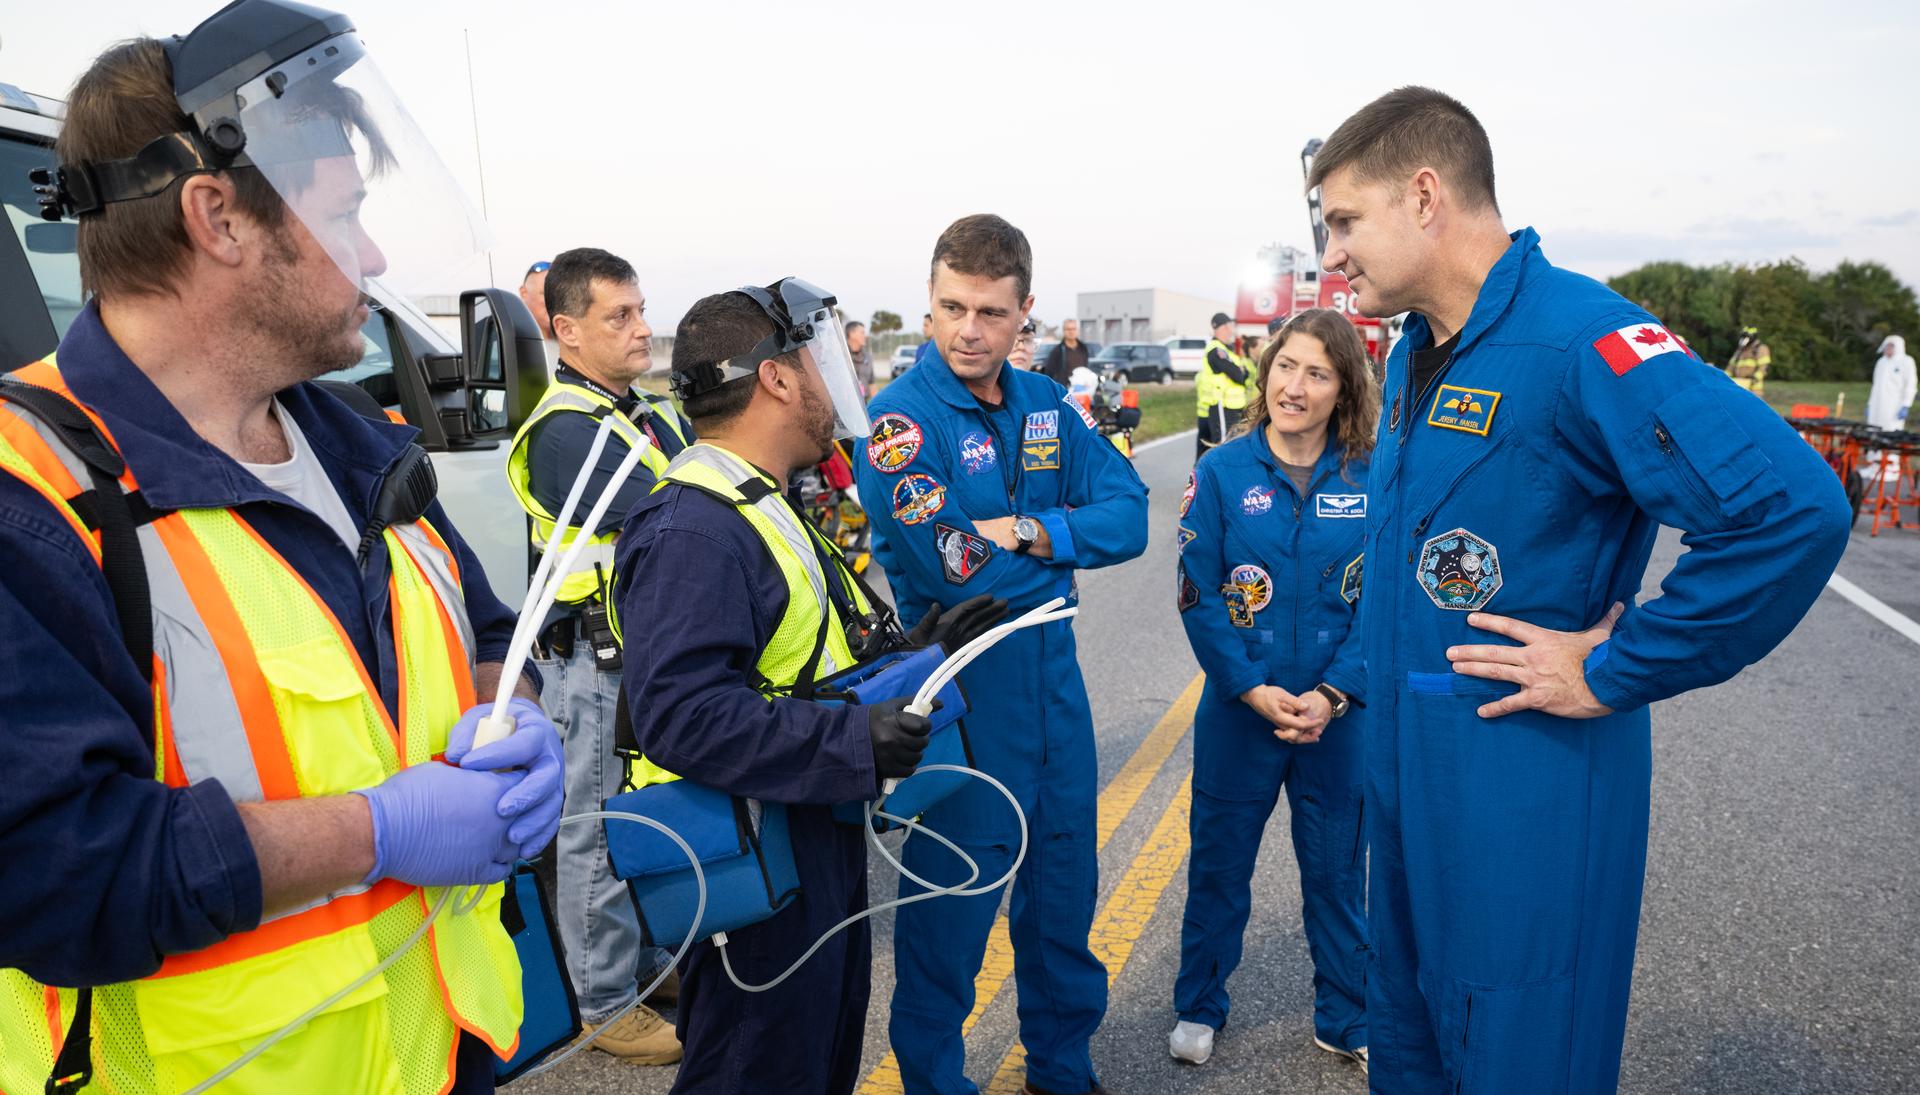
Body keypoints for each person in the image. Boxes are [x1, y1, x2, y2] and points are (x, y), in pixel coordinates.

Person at [0, 6, 566, 1093]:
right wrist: (377, 831)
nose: (376, 254)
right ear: (219, 216)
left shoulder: (355, 444)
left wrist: (517, 707)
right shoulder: (32, 500)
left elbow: (488, 627)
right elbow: (53, 872)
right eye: (346, 214)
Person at [1311, 87, 1850, 1092]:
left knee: (1520, 1059)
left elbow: (1792, 512)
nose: (1331, 253)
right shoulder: (1424, 349)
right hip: (1414, 787)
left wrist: (1613, 666)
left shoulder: (1579, 339)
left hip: (1526, 798)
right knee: (1414, 1050)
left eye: (1345, 220)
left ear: (1425, 196)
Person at [614, 280, 1006, 1094]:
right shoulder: (696, 525)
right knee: (758, 1068)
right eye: (816, 364)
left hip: (799, 826)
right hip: (747, 855)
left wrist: (911, 658)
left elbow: (796, 665)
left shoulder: (758, 497)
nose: (834, 384)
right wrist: (852, 737)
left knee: (816, 1060)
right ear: (777, 380)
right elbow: (682, 717)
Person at [855, 214, 1150, 1095]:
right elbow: (956, 569)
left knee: (1063, 895)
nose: (968, 330)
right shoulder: (900, 421)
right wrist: (1059, 558)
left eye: (990, 311)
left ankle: (1061, 1068)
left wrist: (1031, 527)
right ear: (932, 301)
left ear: (1025, 312)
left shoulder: (1044, 404)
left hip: (1054, 681)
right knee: (951, 916)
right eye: (951, 307)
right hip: (964, 687)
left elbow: (1133, 511)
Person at [1168, 309, 1378, 1072]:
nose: (1295, 385)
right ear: (1267, 371)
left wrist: (1335, 694)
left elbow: (1381, 602)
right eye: (1286, 365)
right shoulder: (1222, 471)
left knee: (1335, 873)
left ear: (1343, 387)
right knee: (1219, 868)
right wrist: (1251, 688)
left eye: (1317, 372)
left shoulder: (1373, 473)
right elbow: (1198, 591)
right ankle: (1199, 1003)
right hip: (1239, 713)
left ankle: (1346, 1012)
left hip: (1338, 717)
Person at [505, 246, 691, 1064]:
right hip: (589, 664)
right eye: (620, 316)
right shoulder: (567, 430)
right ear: (567, 330)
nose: (642, 328)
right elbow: (683, 507)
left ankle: (641, 968)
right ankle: (607, 1002)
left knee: (633, 816)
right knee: (592, 830)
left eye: (642, 310)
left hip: (635, 655)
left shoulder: (642, 412)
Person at [1196, 312, 1254, 457]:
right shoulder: (1217, 350)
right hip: (1223, 406)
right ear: (1224, 327)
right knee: (1222, 448)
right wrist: (1240, 372)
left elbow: (1243, 373)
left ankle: (1200, 479)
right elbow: (1239, 375)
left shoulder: (1226, 349)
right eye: (1229, 327)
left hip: (1230, 407)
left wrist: (1240, 372)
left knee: (1221, 448)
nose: (1231, 331)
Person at [520, 258, 561, 373]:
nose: (554, 301)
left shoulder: (575, 343)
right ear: (524, 293)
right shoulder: (513, 345)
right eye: (545, 294)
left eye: (559, 295)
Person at [1041, 316, 1090, 385]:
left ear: (1077, 330)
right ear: (1064, 331)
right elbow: (1049, 374)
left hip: (1082, 389)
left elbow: (1086, 368)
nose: (1071, 332)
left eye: (1073, 329)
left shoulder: (1083, 348)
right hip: (1065, 390)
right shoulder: (1057, 351)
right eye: (1068, 329)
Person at [1726, 326, 1771, 394]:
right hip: (1739, 386)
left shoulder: (1761, 349)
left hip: (1754, 389)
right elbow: (1730, 367)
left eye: (1746, 337)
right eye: (1742, 336)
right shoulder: (1740, 350)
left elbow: (1764, 367)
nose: (1743, 339)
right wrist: (1724, 378)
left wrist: (1755, 378)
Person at [847, 318, 876, 396]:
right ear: (851, 334)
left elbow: (872, 384)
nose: (865, 336)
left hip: (864, 403)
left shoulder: (868, 357)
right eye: (862, 333)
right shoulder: (841, 357)